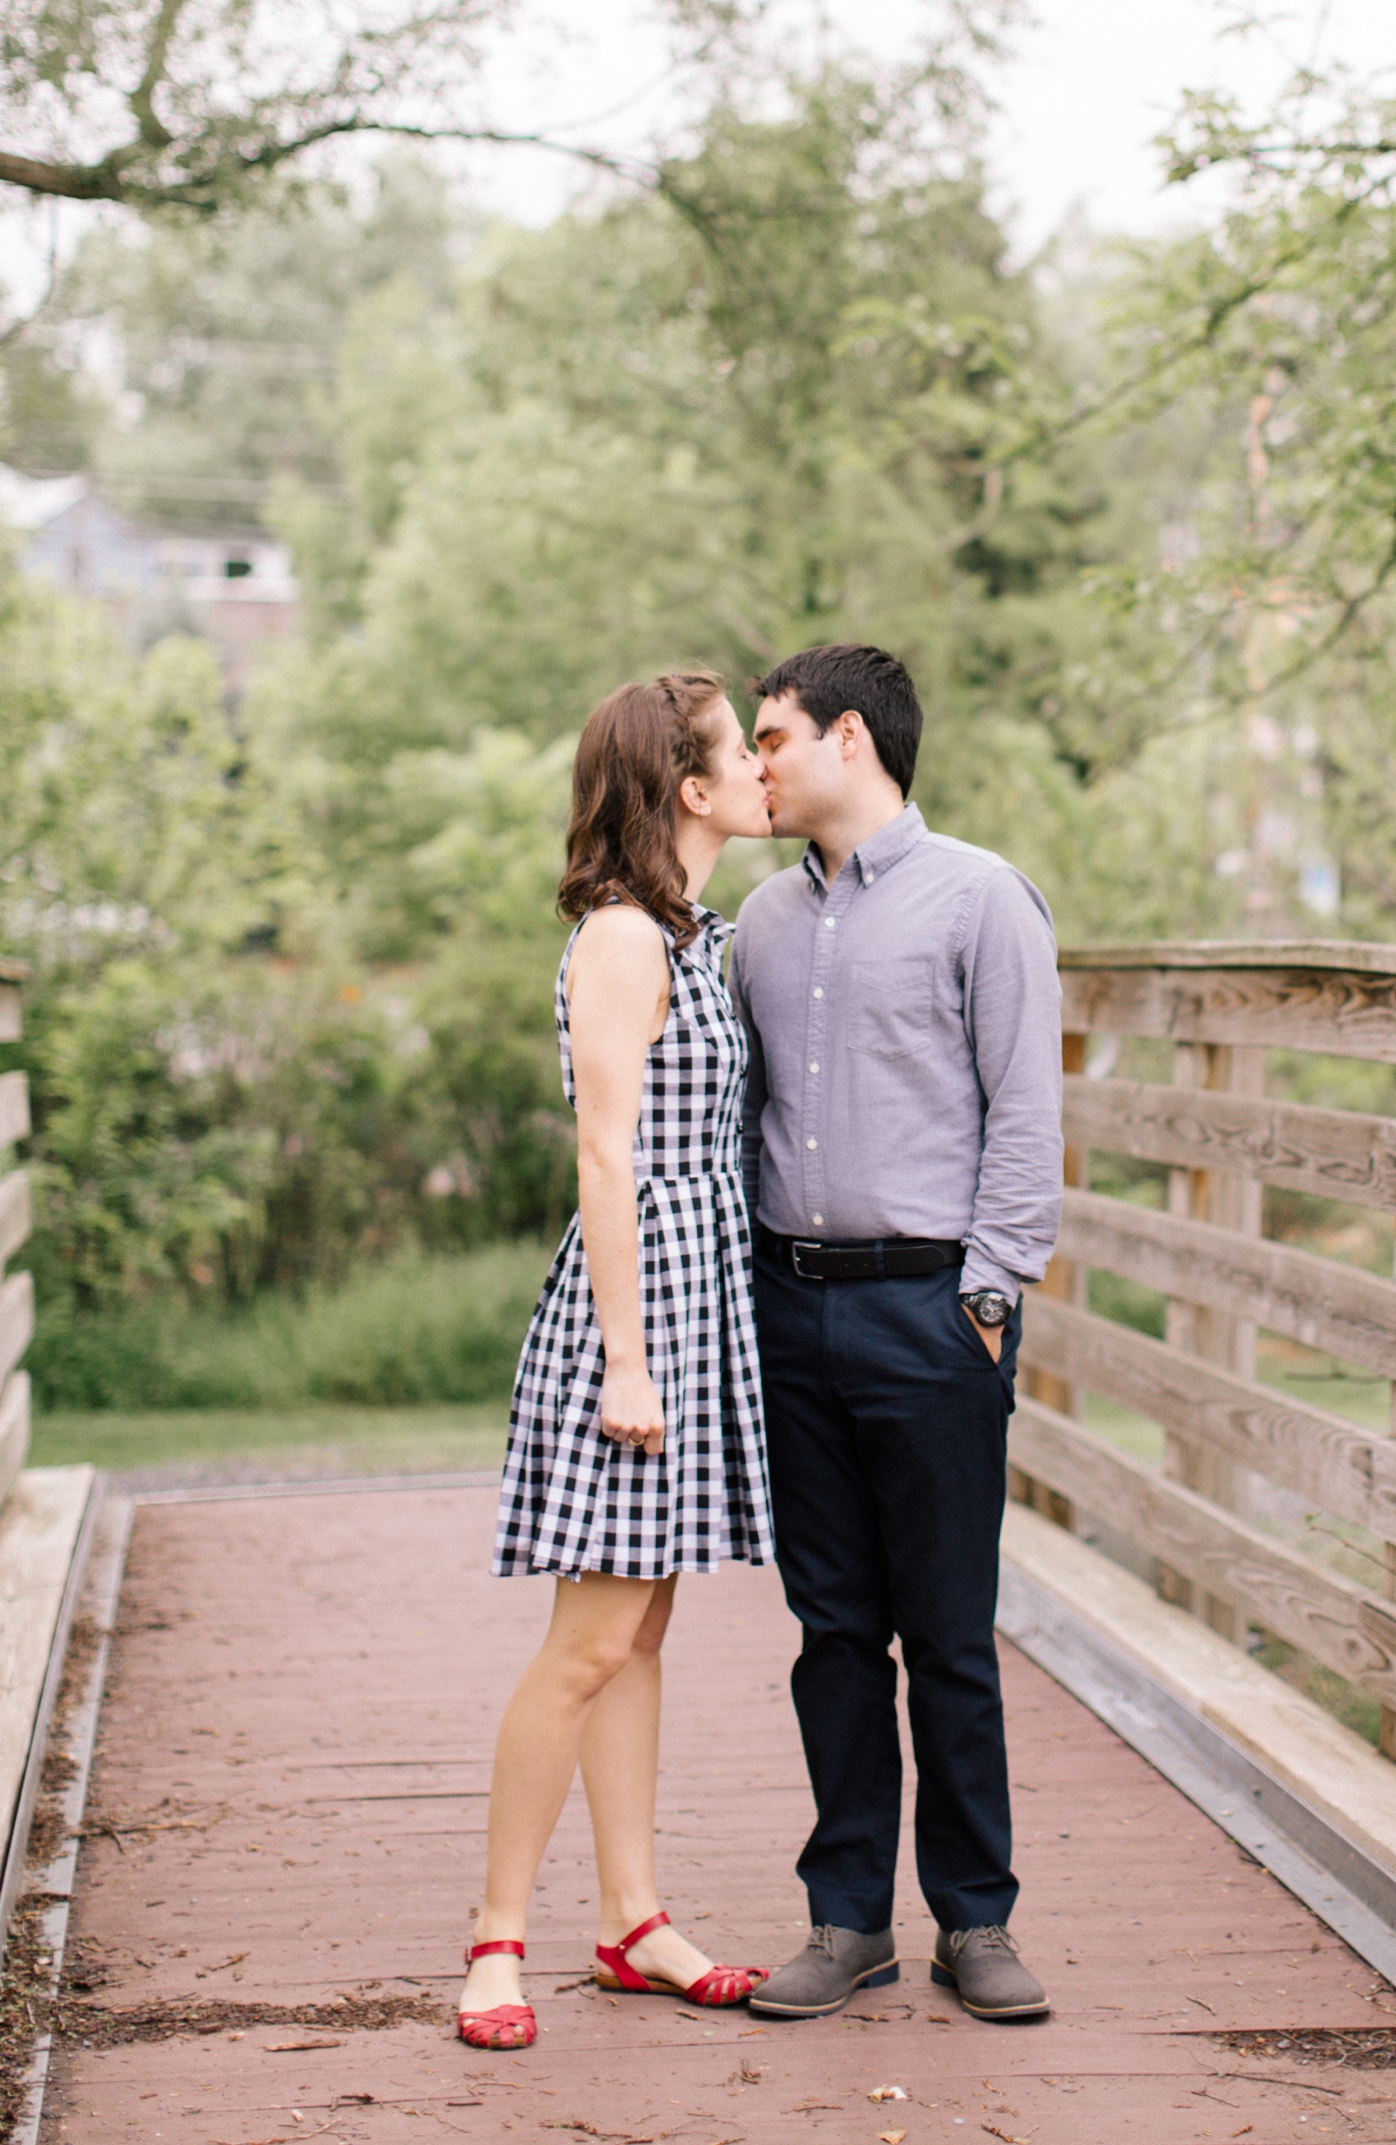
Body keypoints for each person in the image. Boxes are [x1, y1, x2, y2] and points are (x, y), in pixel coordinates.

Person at [731, 644, 1064, 2026]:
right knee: (831, 1633)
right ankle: (848, 1917)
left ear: (848, 739)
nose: (754, 764)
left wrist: (988, 1295)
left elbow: (1026, 1112)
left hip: (933, 1312)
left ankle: (976, 1922)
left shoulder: (982, 899)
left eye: (771, 738)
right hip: (788, 1307)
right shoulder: (755, 923)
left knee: (949, 1636)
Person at [457, 670, 776, 2052]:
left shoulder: (688, 933)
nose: (769, 770)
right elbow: (607, 1151)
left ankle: (633, 1917)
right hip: (631, 1317)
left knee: (642, 1628)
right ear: (690, 790)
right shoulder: (621, 941)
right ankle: (496, 1941)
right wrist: (631, 1363)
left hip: (698, 1301)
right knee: (586, 1644)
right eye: (740, 755)